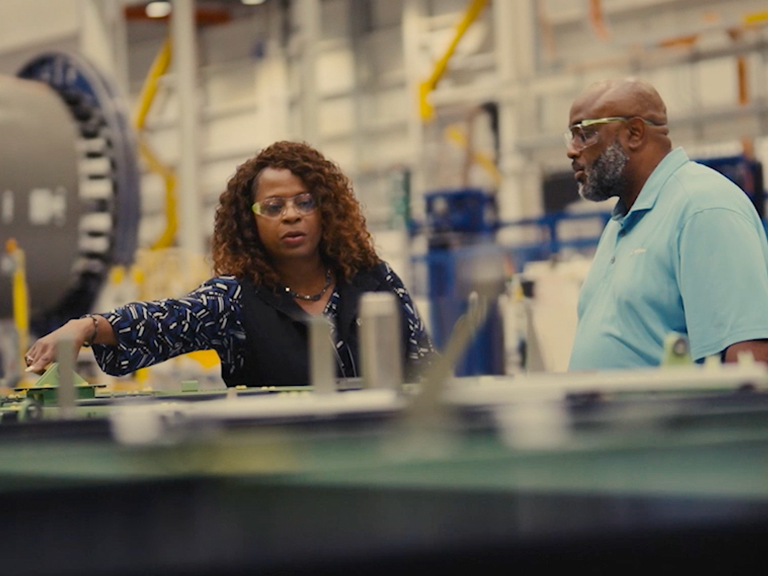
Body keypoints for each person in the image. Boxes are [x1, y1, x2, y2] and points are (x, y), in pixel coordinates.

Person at [25, 141, 435, 386]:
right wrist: (88, 326)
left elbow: (425, 368)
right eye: (273, 206)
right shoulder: (234, 301)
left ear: (326, 209)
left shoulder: (374, 280)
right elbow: (163, 320)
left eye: (304, 201)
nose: (291, 215)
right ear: (250, 221)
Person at [566, 78, 768, 370]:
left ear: (634, 133)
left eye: (584, 134)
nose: (572, 150)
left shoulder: (702, 208)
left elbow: (750, 359)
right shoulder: (620, 223)